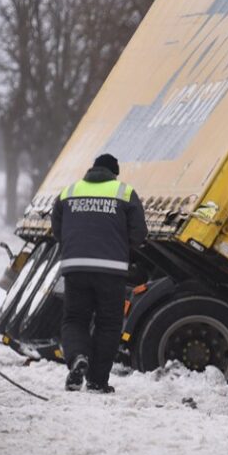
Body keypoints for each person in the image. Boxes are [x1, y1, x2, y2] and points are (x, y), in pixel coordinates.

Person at [52, 152, 146, 393]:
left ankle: (77, 358)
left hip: (75, 267)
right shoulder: (124, 192)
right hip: (111, 270)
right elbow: (139, 235)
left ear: (91, 170)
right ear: (114, 174)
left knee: (74, 319)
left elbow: (56, 230)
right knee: (108, 324)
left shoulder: (68, 192)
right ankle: (97, 381)